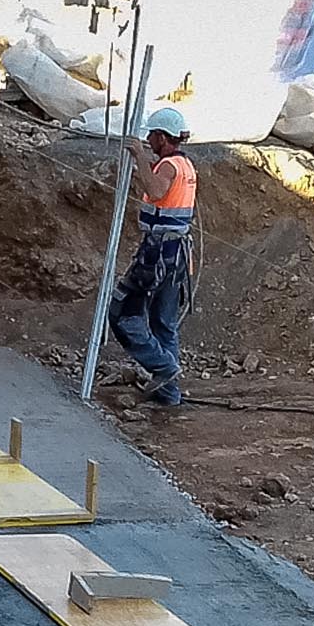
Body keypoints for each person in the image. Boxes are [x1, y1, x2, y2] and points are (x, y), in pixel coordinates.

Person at [107, 105, 196, 405]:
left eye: (152, 135)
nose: (148, 139)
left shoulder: (169, 166)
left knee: (122, 313)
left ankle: (165, 367)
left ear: (162, 137)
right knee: (163, 323)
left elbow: (156, 191)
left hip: (158, 253)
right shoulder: (187, 166)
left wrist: (139, 158)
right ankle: (169, 394)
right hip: (177, 255)